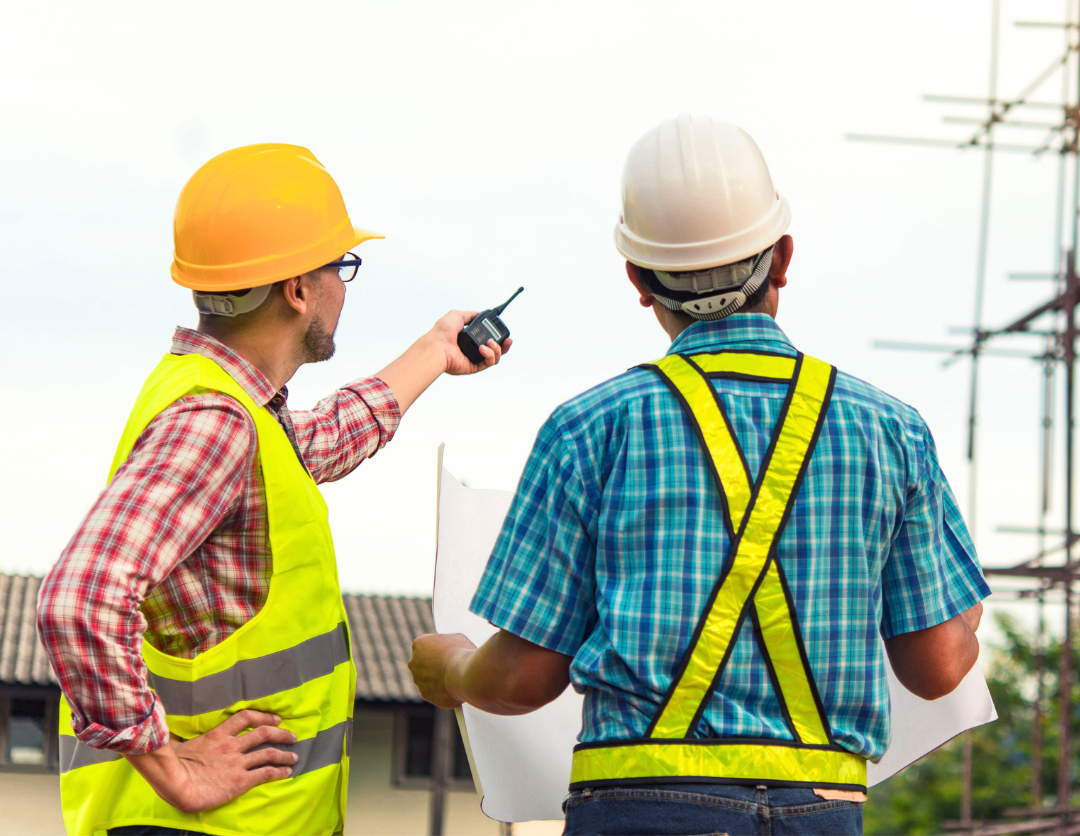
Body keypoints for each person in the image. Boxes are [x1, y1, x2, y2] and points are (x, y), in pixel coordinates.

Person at [408, 114, 989, 836]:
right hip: (821, 815)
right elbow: (938, 667)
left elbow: (523, 679)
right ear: (782, 257)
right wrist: (961, 600)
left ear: (637, 279)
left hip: (636, 809)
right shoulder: (890, 431)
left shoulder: (592, 427)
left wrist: (455, 668)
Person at [37, 143, 509, 836]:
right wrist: (176, 769)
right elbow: (79, 601)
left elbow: (319, 440)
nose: (345, 286)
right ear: (298, 290)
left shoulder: (228, 408)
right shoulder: (214, 422)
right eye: (341, 267)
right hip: (205, 825)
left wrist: (434, 351)